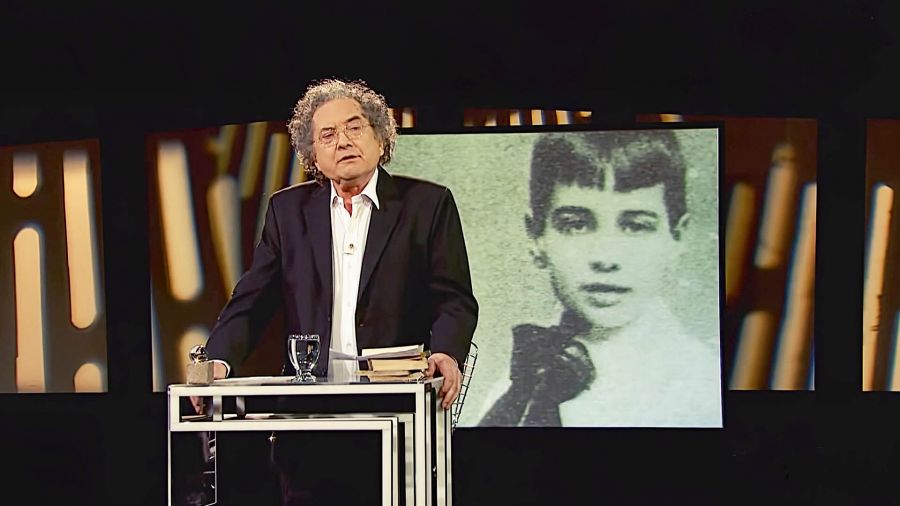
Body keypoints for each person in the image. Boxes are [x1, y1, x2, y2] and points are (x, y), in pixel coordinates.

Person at [199, 78, 479, 504]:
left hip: (398, 425)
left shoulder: (428, 204)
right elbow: (252, 301)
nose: (342, 142)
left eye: (355, 128)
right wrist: (217, 360)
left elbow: (453, 299)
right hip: (310, 430)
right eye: (327, 135)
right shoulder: (287, 211)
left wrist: (446, 350)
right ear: (312, 155)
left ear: (381, 138)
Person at [479, 129, 720, 427]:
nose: (606, 258)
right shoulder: (526, 373)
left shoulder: (698, 391)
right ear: (536, 237)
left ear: (677, 238)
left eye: (636, 227)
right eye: (576, 225)